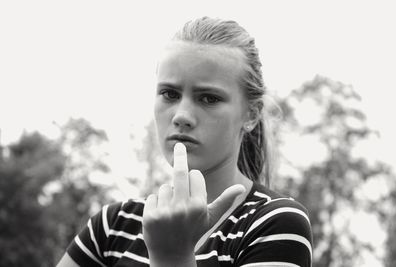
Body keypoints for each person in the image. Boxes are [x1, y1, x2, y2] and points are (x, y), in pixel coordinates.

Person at [57, 17, 312, 267]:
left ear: (252, 114)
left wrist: (173, 256)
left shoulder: (274, 224)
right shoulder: (114, 225)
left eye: (209, 98)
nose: (181, 116)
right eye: (169, 94)